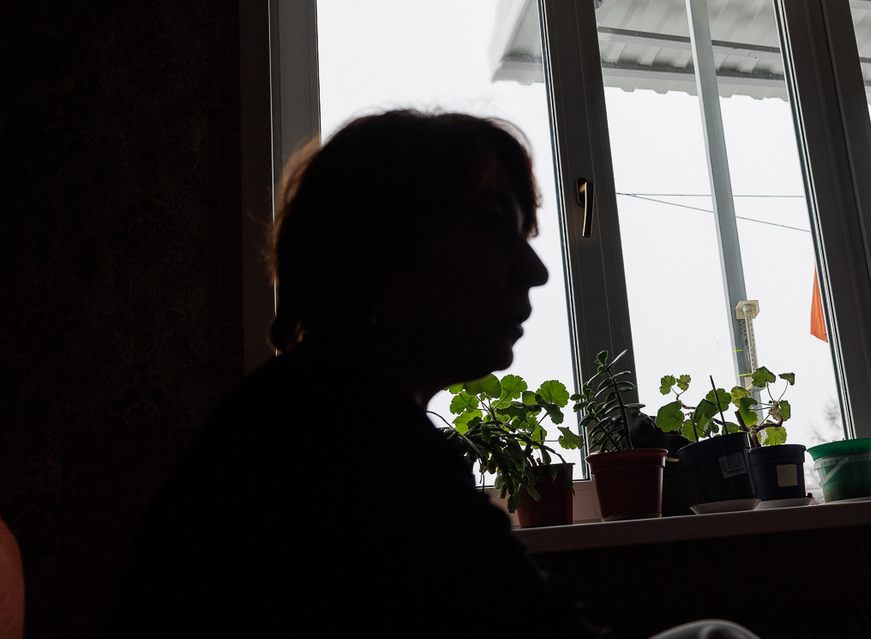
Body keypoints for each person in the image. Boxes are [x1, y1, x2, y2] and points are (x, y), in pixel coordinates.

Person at [103, 109, 759, 639]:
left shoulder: (302, 410)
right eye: (492, 228)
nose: (535, 271)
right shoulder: (352, 441)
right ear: (376, 252)